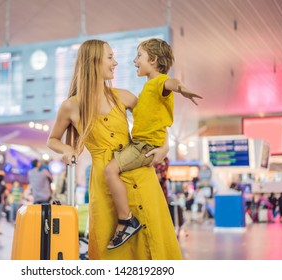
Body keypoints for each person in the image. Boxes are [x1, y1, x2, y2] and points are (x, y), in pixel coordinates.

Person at [47, 39, 182, 259]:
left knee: (155, 243)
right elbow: (52, 139)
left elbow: (153, 121)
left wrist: (164, 147)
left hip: (141, 175)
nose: (116, 63)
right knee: (111, 250)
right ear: (93, 61)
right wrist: (66, 150)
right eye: (110, 57)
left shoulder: (123, 96)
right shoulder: (71, 105)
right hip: (105, 183)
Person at [103, 38, 201, 248]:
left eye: (139, 56)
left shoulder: (158, 82)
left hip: (143, 145)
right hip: (141, 142)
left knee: (110, 171)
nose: (134, 60)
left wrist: (181, 88)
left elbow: (170, 84)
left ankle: (126, 220)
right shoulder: (148, 88)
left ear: (154, 59)